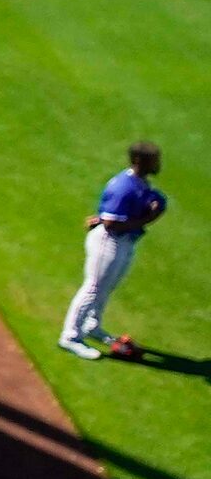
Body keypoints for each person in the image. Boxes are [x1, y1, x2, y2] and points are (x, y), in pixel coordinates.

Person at [61, 141, 169, 360]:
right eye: (153, 160)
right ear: (139, 161)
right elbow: (111, 224)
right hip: (108, 242)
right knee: (93, 287)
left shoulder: (140, 183)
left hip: (123, 242)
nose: (158, 163)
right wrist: (147, 218)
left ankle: (92, 326)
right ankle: (70, 337)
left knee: (106, 287)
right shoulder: (124, 186)